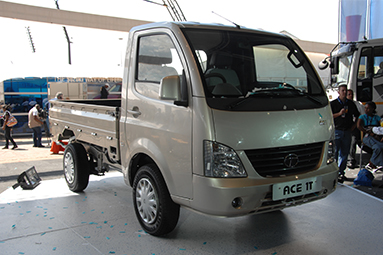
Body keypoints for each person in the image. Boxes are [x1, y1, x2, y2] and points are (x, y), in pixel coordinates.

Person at [330, 85, 360, 182]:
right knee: (335, 153)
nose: (344, 92)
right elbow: (329, 116)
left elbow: (357, 115)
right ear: (338, 92)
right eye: (342, 90)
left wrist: (354, 126)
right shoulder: (333, 104)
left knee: (344, 153)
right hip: (337, 130)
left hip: (347, 131)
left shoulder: (350, 104)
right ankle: (333, 173)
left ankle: (341, 172)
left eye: (345, 91)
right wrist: (339, 113)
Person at [357, 101, 383, 171]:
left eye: (368, 108)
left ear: (372, 109)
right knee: (377, 147)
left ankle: (376, 163)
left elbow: (381, 124)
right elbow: (358, 126)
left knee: (380, 146)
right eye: (365, 108)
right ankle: (372, 162)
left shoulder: (377, 117)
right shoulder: (362, 117)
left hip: (375, 136)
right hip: (367, 136)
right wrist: (368, 132)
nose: (366, 110)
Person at [347, 89, 364, 168]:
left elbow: (360, 116)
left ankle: (351, 160)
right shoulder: (344, 104)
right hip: (345, 127)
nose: (350, 96)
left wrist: (355, 125)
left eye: (351, 94)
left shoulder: (357, 104)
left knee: (353, 141)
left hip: (355, 126)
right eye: (349, 94)